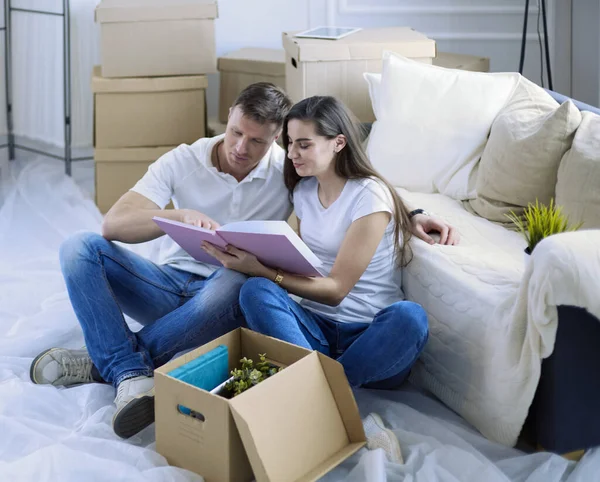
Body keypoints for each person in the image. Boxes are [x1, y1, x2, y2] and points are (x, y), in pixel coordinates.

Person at [29, 83, 457, 440]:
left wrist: (411, 216)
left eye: (259, 141)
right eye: (236, 132)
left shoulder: (292, 172)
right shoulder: (195, 161)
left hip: (227, 298)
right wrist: (174, 216)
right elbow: (114, 225)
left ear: (275, 139)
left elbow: (358, 185)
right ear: (228, 116)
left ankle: (113, 364)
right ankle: (126, 367)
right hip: (175, 287)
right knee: (79, 248)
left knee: (246, 283)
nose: (241, 147)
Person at [201, 95, 457, 393]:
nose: (293, 153)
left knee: (410, 317)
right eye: (291, 142)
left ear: (338, 143)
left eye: (304, 144)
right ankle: (328, 388)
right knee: (255, 290)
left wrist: (261, 269)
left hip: (369, 338)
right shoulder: (304, 191)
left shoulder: (369, 196)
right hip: (314, 330)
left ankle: (323, 391)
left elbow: (336, 291)